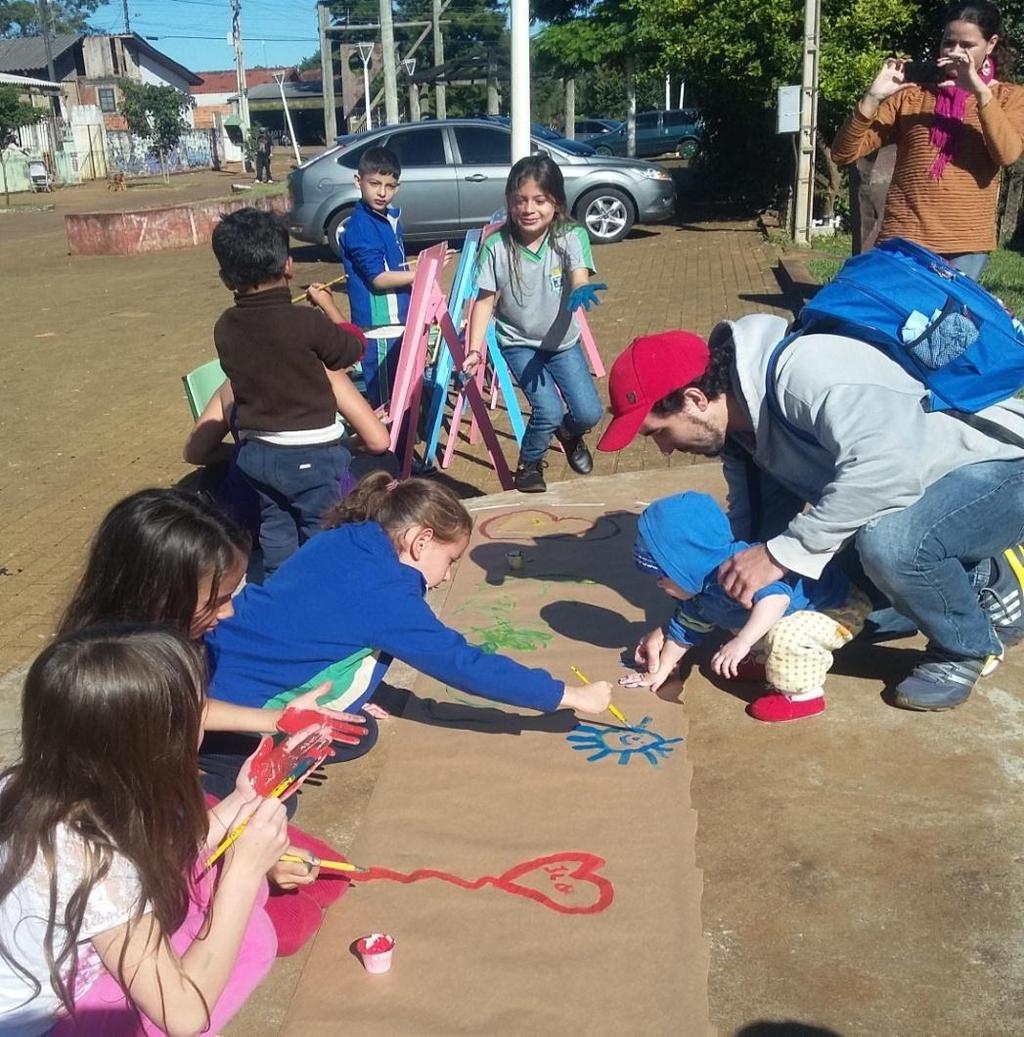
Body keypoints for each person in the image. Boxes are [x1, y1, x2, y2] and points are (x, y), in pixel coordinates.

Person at [596, 322, 1024, 712]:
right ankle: (968, 575)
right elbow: (752, 542)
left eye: (658, 432)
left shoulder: (805, 374)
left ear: (695, 400)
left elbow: (889, 471)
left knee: (889, 546)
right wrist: (693, 621)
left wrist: (782, 555)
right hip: (920, 494)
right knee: (828, 605)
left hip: (995, 468)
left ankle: (967, 644)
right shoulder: (742, 436)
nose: (665, 450)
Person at [58, 488, 371, 954]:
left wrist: (277, 720)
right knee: (288, 924)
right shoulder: (104, 684)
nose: (228, 613)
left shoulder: (165, 647)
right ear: (160, 591)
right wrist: (249, 862)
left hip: (182, 804)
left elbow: (191, 709)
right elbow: (139, 829)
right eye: (218, 599)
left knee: (326, 876)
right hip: (145, 839)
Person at [206, 471, 614, 761]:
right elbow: (462, 664)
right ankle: (230, 755)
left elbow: (318, 624)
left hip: (217, 659)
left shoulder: (342, 538)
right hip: (246, 704)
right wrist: (569, 695)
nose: (448, 575)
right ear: (420, 541)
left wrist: (367, 692)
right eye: (450, 559)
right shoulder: (388, 594)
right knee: (358, 736)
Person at [0, 625, 283, 1035]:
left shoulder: (29, 785)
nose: (202, 726)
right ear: (151, 744)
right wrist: (243, 873)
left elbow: (165, 858)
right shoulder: (91, 861)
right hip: (38, 1026)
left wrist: (242, 799)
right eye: (193, 715)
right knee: (249, 936)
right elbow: (183, 1016)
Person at [211, 207, 367, 577]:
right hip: (312, 455)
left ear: (225, 278)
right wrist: (346, 329)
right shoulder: (306, 322)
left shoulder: (225, 328)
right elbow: (349, 351)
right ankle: (321, 603)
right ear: (289, 266)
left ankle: (280, 593)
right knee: (321, 533)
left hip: (258, 456)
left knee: (276, 530)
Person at [832, 2, 1024, 279]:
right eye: (949, 43)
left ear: (990, 44)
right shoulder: (911, 95)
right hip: (902, 238)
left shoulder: (1009, 98)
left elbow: (1007, 154)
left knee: (944, 321)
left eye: (967, 45)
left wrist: (981, 95)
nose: (955, 53)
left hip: (965, 244)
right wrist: (872, 97)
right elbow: (842, 153)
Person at [624, 492, 854, 722]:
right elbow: (683, 631)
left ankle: (804, 696)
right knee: (743, 622)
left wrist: (743, 643)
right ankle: (766, 663)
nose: (658, 582)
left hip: (835, 610)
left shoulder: (739, 570)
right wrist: (658, 673)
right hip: (795, 614)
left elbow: (777, 600)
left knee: (783, 633)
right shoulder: (700, 592)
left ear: (687, 565)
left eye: (662, 574)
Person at [463, 155, 606, 494]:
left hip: (562, 342)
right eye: (519, 200)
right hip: (518, 342)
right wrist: (473, 348)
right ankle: (529, 464)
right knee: (549, 409)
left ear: (555, 203)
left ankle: (571, 435)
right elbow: (483, 300)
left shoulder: (570, 235)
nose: (528, 209)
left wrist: (582, 286)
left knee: (588, 413)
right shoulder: (496, 245)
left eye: (539, 200)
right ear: (510, 202)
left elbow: (578, 272)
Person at [337, 146, 415, 409]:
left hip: (398, 324)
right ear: (358, 181)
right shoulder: (360, 226)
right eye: (375, 184)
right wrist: (420, 274)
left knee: (401, 400)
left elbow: (395, 266)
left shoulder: (388, 219)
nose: (382, 192)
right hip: (379, 328)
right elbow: (379, 279)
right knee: (385, 406)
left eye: (389, 186)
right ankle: (387, 448)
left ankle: (400, 445)